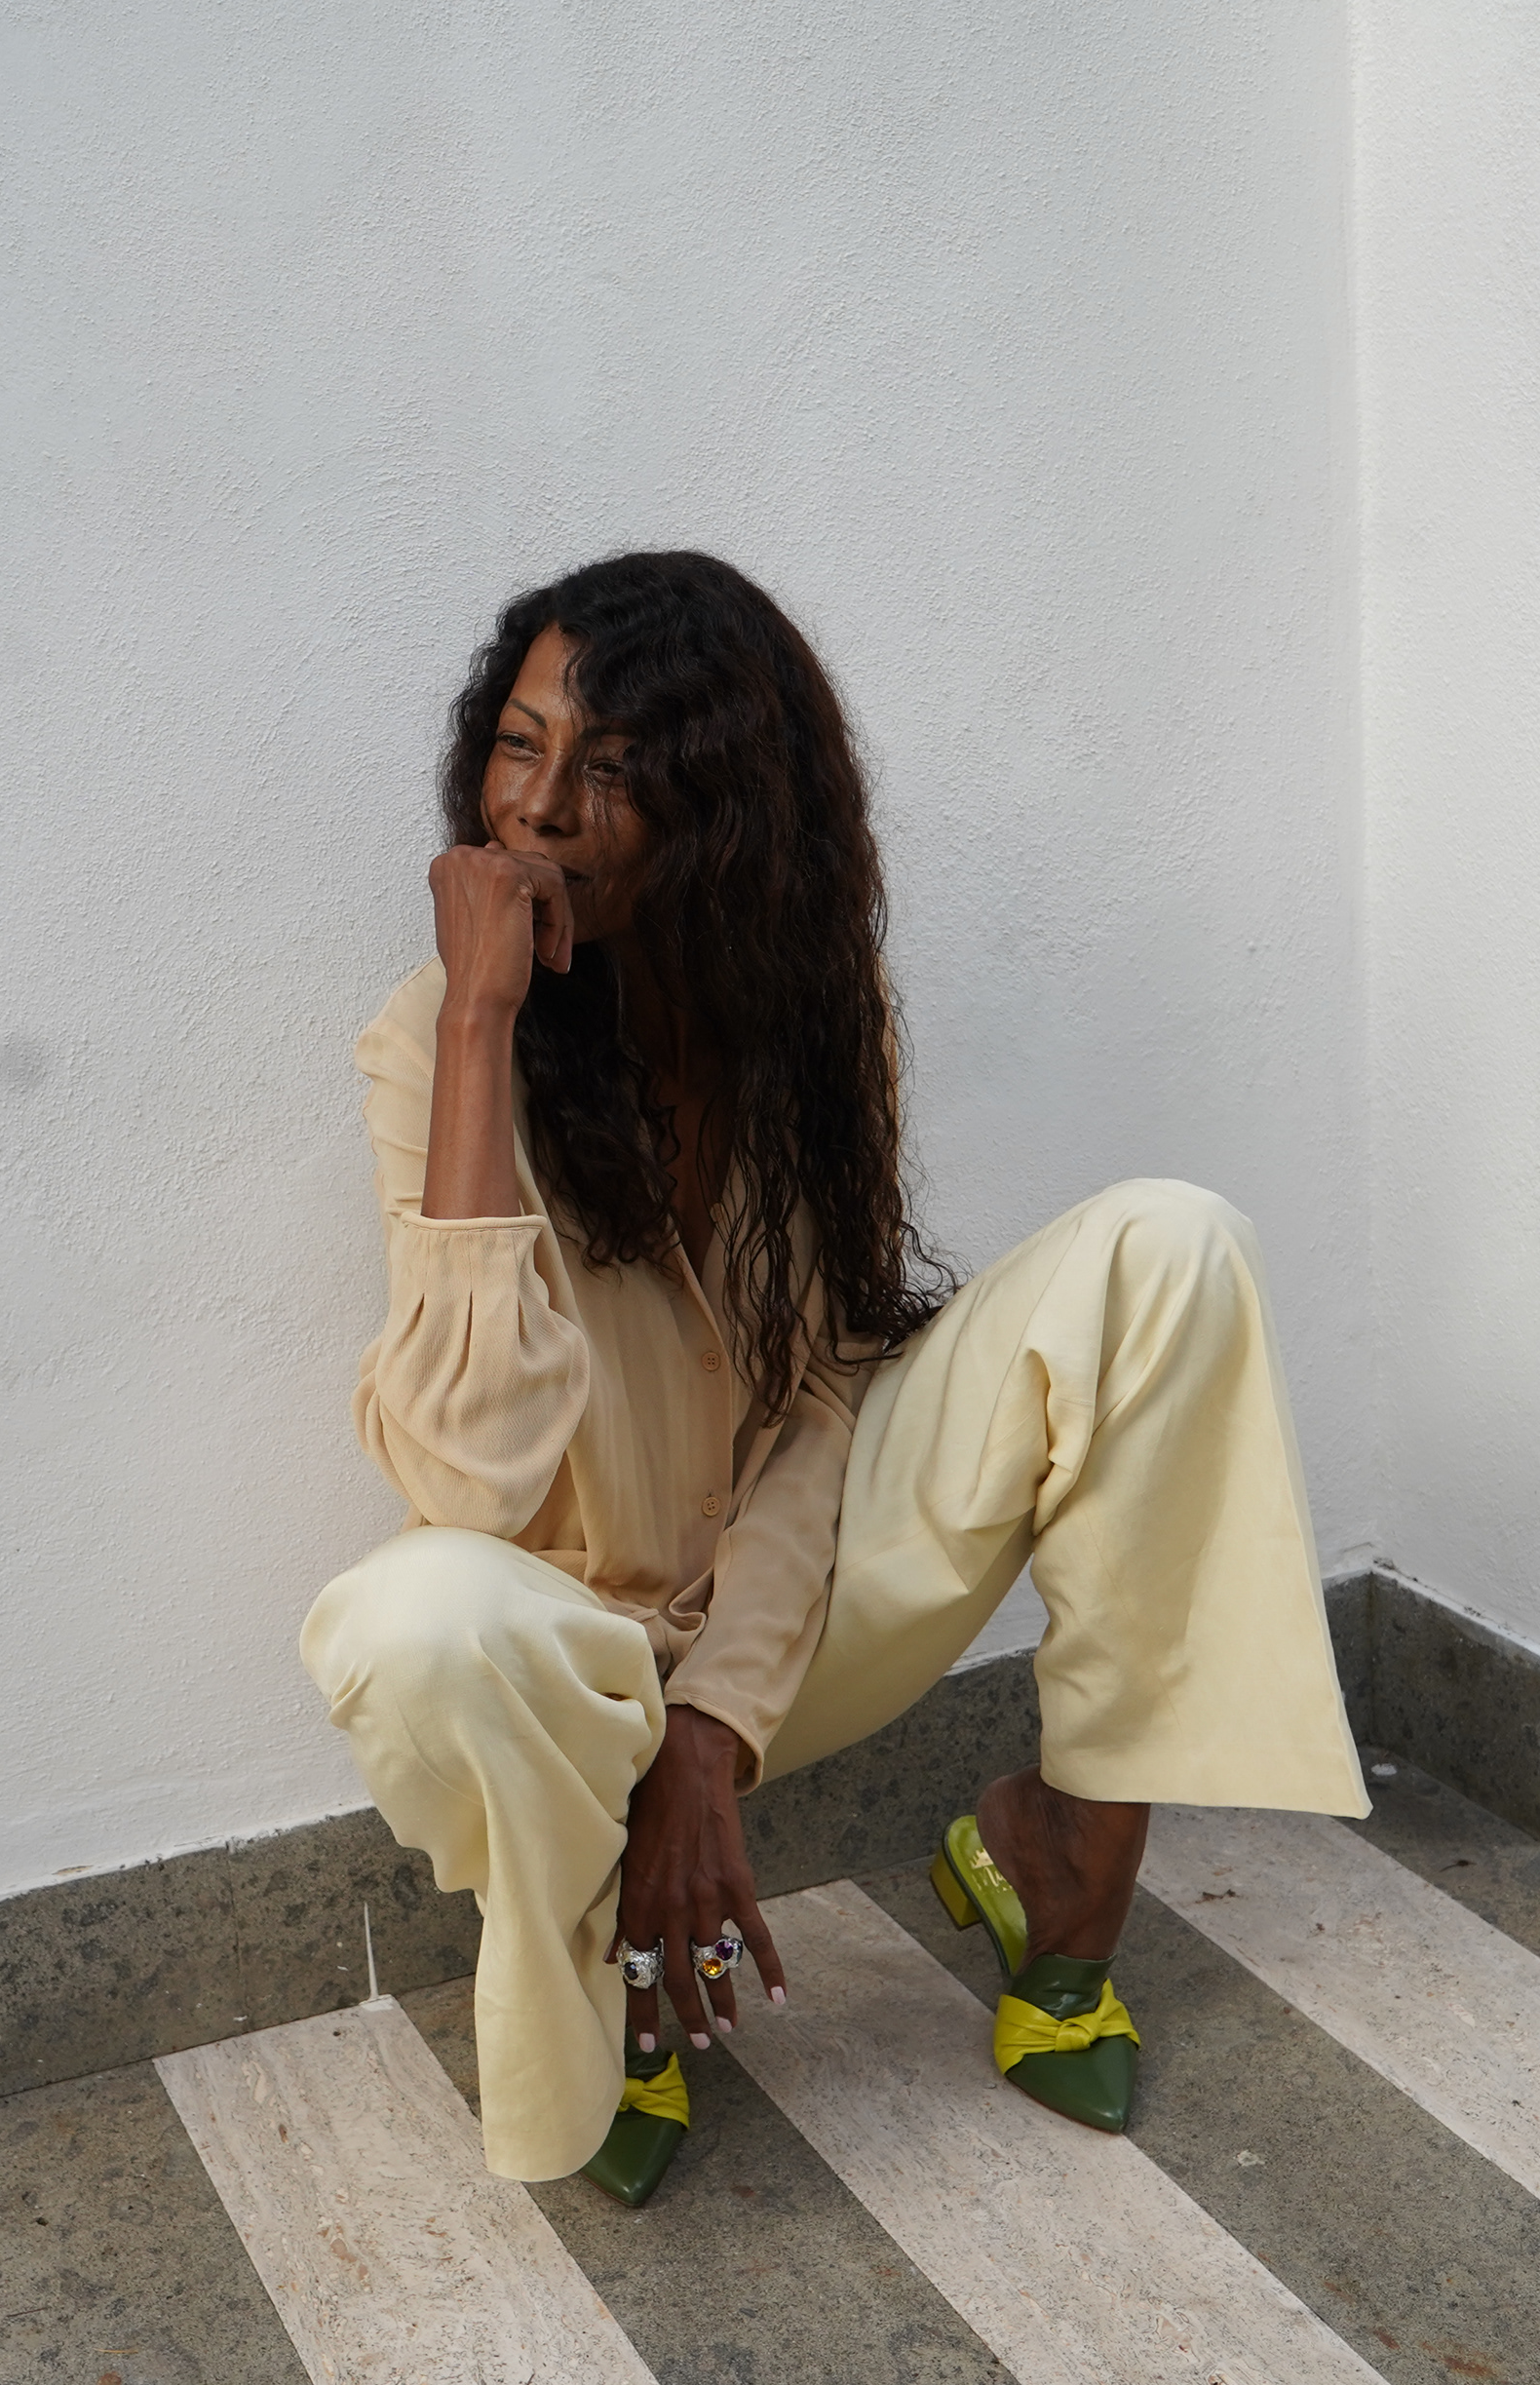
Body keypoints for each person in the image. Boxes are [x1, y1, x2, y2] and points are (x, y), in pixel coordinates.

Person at [303, 551, 1367, 2206]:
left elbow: (817, 1403)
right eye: (520, 745)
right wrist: (477, 1033)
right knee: (412, 1615)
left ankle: (1063, 1869)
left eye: (614, 766)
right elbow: (466, 1478)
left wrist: (713, 1730)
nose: (543, 809)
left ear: (726, 805)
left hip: (795, 1609)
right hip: (581, 1660)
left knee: (1173, 1245)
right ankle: (603, 1966)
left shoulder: (802, 1020)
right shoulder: (432, 1042)